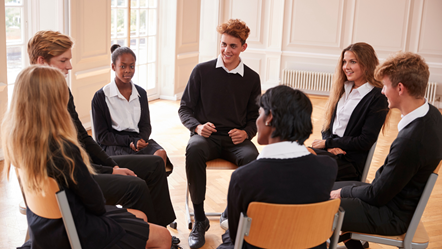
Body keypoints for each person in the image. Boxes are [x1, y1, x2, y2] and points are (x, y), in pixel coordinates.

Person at [1, 65, 171, 249]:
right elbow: (96, 203)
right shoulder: (63, 149)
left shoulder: (18, 143)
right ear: (54, 102)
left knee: (141, 217)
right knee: (163, 236)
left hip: (44, 230)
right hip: (75, 232)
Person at [27, 31, 177, 231]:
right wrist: (110, 170)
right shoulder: (34, 101)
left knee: (155, 164)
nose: (70, 66)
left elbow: (82, 136)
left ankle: (161, 232)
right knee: (136, 185)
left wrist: (111, 165)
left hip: (80, 164)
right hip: (70, 176)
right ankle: (151, 237)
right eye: (63, 60)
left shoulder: (63, 90)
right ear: (42, 61)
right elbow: (68, 164)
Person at [330, 52, 442, 249]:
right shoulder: (431, 113)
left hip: (390, 213)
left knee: (317, 204)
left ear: (400, 88)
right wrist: (343, 191)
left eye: (385, 86)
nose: (382, 92)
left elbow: (376, 195)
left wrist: (341, 193)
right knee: (326, 188)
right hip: (390, 198)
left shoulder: (412, 140)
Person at [217, 85, 338, 249]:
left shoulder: (244, 177)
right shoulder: (328, 167)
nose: (257, 121)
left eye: (259, 114)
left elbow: (235, 234)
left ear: (270, 117)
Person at [178, 19, 261, 248]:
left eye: (233, 46)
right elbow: (184, 108)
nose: (226, 50)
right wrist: (196, 127)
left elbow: (256, 117)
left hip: (236, 141)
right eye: (223, 44)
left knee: (252, 159)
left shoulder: (252, 78)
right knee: (193, 149)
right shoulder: (202, 71)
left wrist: (246, 133)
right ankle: (199, 218)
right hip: (206, 137)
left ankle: (231, 211)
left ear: (244, 47)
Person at [312, 42, 389, 181]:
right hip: (331, 152)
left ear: (367, 65)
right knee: (293, 156)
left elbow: (365, 140)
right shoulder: (343, 88)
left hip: (349, 162)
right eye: (344, 62)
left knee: (301, 163)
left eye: (352, 62)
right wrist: (329, 145)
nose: (346, 67)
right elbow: (328, 126)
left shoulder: (377, 97)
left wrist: (330, 143)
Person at [91, 44, 173, 174]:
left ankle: (155, 192)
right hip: (114, 144)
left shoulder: (141, 93)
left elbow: (146, 125)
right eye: (122, 66)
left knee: (160, 154)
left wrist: (141, 139)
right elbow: (102, 136)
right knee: (140, 164)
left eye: (132, 66)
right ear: (113, 67)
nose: (128, 70)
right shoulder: (101, 96)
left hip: (136, 141)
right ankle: (141, 190)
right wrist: (130, 141)